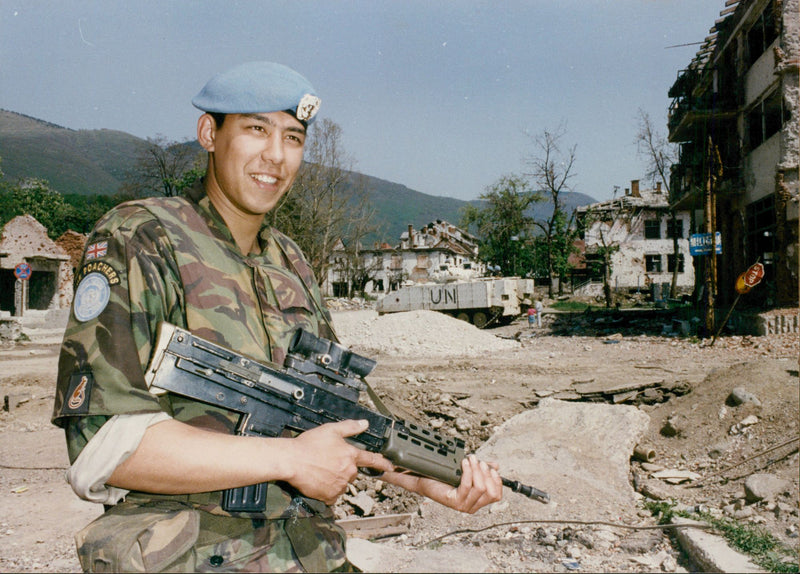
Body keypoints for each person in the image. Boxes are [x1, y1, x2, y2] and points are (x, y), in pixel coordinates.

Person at [51, 61, 502, 572]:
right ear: (209, 134)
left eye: (293, 137)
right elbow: (103, 443)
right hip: (187, 554)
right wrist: (289, 460)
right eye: (255, 129)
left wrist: (423, 477)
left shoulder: (290, 262)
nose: (275, 155)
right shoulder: (144, 238)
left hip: (306, 553)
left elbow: (332, 421)